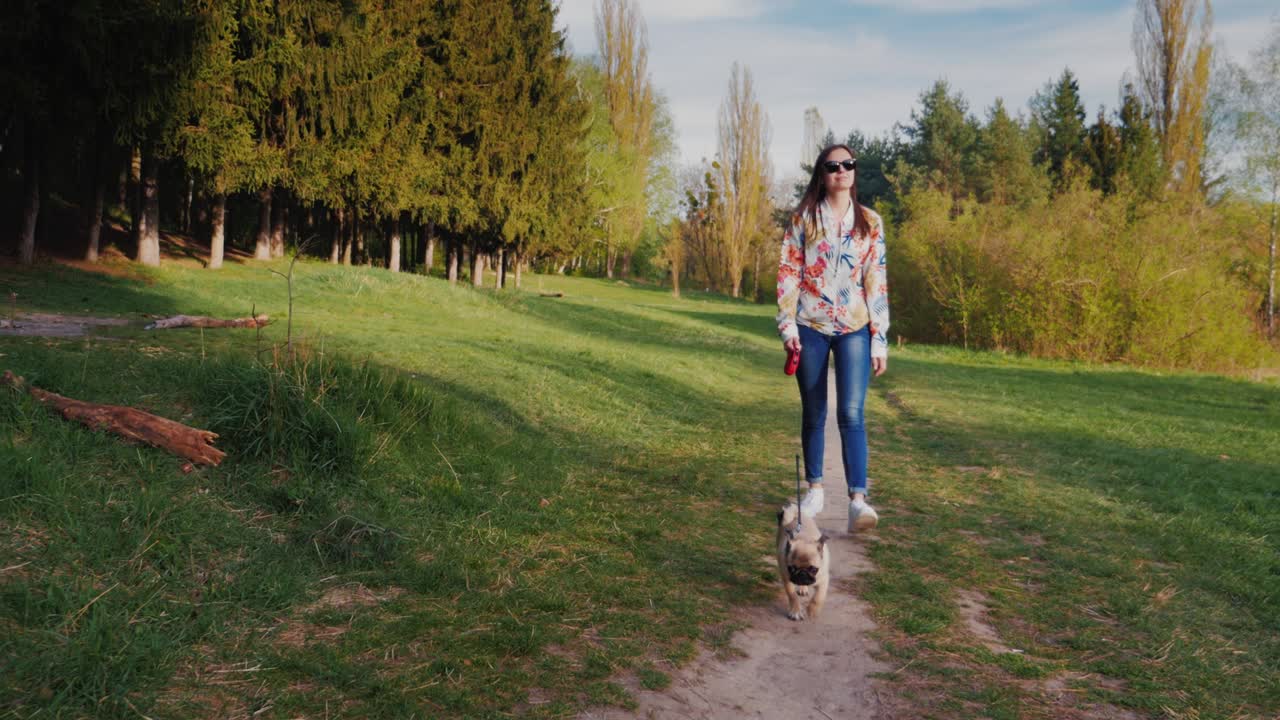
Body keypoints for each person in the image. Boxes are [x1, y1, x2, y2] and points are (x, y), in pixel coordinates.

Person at [776, 144, 889, 533]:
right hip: (810, 324)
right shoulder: (803, 218)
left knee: (852, 412)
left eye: (848, 164)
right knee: (815, 410)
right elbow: (789, 272)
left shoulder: (870, 222)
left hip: (855, 327)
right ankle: (816, 490)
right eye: (833, 166)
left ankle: (858, 501)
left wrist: (879, 338)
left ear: (854, 171)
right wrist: (788, 326)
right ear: (822, 174)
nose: (842, 170)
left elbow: (876, 282)